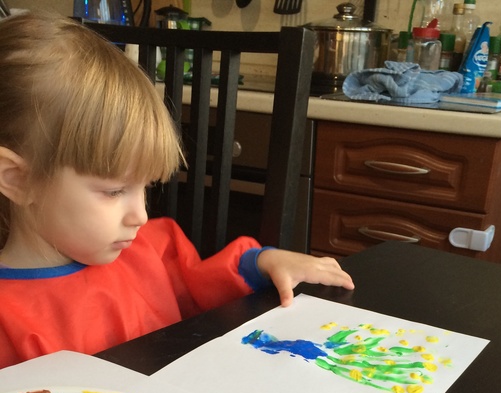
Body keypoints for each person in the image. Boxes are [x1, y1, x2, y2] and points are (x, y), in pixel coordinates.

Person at [0, 12, 354, 369]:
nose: (140, 215)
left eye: (145, 186)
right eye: (114, 191)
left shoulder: (149, 249)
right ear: (16, 179)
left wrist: (263, 262)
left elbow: (205, 284)